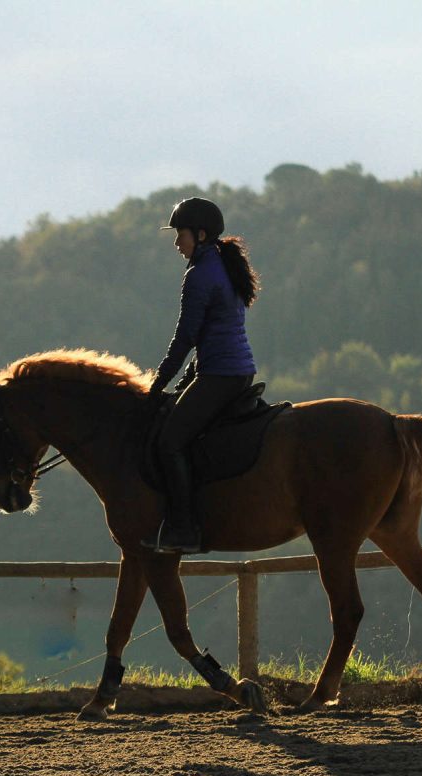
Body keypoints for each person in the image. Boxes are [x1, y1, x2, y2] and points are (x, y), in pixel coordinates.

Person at [143, 197, 259, 554]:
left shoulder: (200, 275)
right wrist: (190, 374)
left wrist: (158, 382)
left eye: (181, 235)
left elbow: (186, 336)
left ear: (201, 234)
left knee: (169, 441)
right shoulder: (223, 266)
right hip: (232, 371)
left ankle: (184, 529)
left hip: (220, 374)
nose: (177, 243)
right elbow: (211, 332)